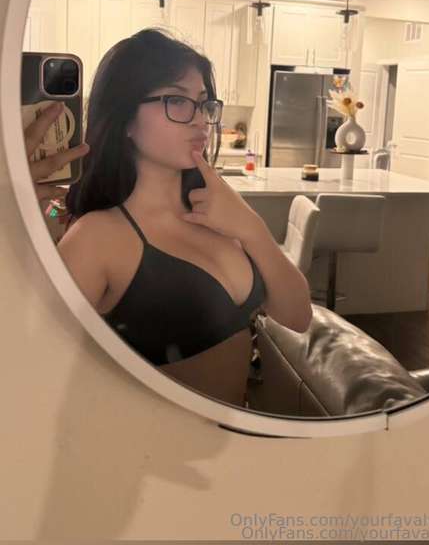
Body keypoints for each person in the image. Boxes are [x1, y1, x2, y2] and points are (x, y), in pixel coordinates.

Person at [26, 28, 312, 407]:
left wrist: (252, 228)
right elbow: (34, 372)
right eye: (177, 100)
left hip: (236, 435)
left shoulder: (219, 211)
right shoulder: (97, 237)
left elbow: (297, 316)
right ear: (126, 119)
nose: (200, 120)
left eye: (204, 104)